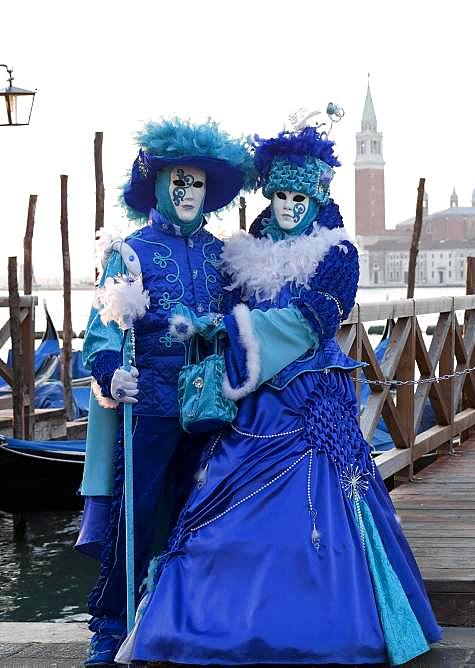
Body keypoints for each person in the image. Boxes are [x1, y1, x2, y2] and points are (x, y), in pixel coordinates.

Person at [122, 126, 441, 666]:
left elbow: (318, 318)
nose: (290, 207)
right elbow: (216, 311)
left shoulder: (336, 254)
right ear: (268, 196)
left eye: (301, 198)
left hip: (308, 401)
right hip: (248, 406)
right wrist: (183, 325)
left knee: (320, 515)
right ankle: (200, 625)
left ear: (316, 198)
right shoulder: (241, 256)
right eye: (281, 196)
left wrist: (236, 331)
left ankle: (320, 629)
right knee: (221, 520)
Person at [76, 118, 252, 666]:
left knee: (204, 510)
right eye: (177, 181)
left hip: (212, 406)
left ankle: (189, 618)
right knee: (138, 511)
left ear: (208, 192)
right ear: (156, 185)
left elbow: (245, 320)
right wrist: (110, 374)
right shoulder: (129, 253)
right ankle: (110, 626)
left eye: (195, 183)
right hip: (150, 405)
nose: (186, 192)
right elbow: (101, 331)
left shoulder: (221, 255)